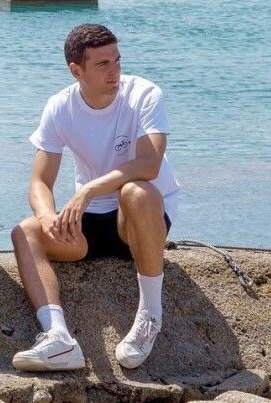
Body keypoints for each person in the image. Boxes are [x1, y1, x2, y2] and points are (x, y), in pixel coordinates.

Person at [10, 24, 181, 372]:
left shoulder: (144, 94)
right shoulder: (60, 106)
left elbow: (149, 165)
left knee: (136, 191)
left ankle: (150, 316)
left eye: (117, 60)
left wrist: (89, 189)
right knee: (24, 232)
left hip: (138, 221)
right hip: (92, 223)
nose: (115, 70)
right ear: (77, 70)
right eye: (103, 64)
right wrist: (47, 217)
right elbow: (39, 182)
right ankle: (58, 337)